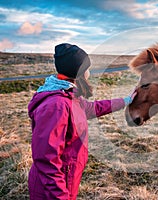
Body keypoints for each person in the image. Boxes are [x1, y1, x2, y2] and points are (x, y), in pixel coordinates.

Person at [28, 43, 136, 199]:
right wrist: (60, 196)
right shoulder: (56, 106)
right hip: (52, 190)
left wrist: (126, 100)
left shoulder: (68, 96)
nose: (89, 72)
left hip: (64, 180)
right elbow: (47, 160)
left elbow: (93, 108)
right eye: (87, 68)